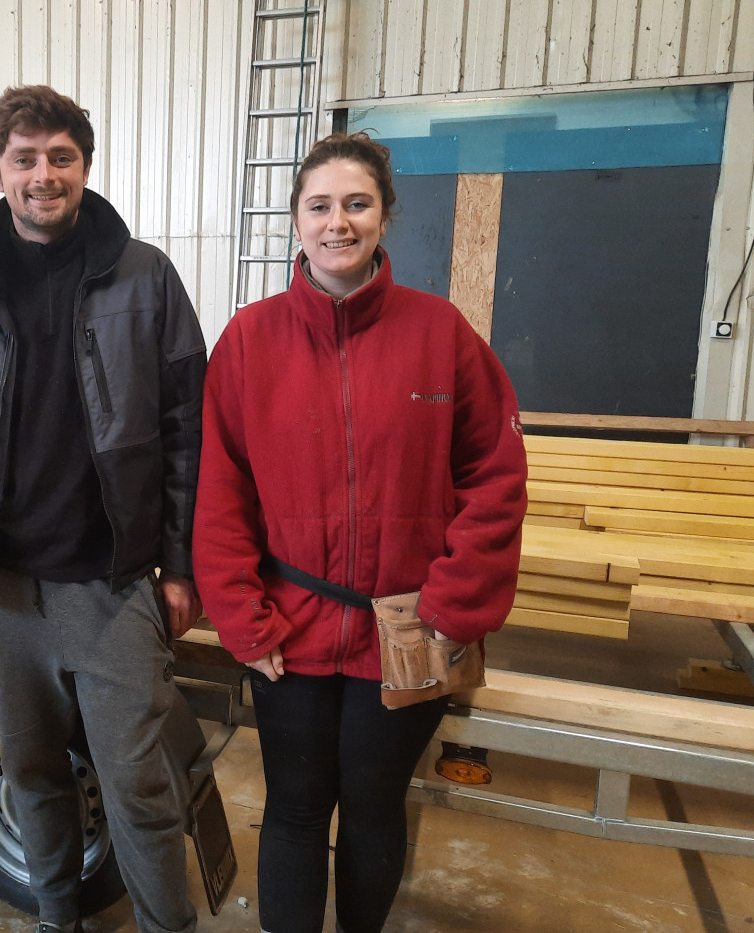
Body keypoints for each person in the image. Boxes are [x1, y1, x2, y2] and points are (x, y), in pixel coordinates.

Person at [194, 132, 527, 933]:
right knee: (297, 810)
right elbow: (220, 490)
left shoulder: (441, 334)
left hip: (407, 629)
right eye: (320, 206)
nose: (337, 223)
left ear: (383, 217)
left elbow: (497, 473)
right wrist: (241, 613)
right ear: (295, 222)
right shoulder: (249, 339)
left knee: (375, 811)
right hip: (292, 629)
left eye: (356, 204)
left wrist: (452, 605)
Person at [0, 85, 205, 933]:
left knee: (139, 783)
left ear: (85, 164)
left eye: (61, 157)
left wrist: (180, 568)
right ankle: (56, 919)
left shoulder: (144, 277)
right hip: (3, 590)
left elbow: (188, 433)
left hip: (109, 586)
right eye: (26, 158)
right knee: (31, 769)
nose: (44, 175)